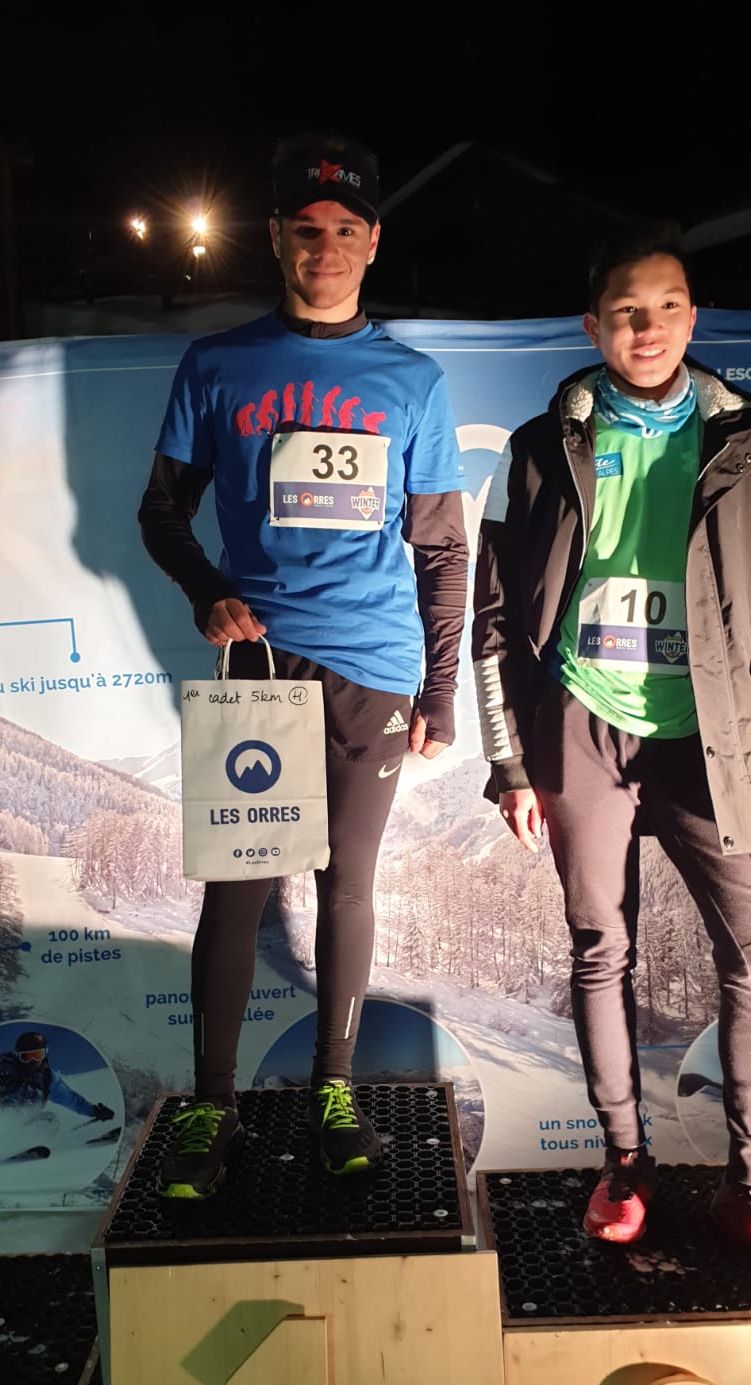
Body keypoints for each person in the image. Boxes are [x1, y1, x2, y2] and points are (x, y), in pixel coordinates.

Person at [472, 234, 751, 1288]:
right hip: (580, 723)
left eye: (668, 307)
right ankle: (625, 1162)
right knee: (602, 945)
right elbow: (492, 618)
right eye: (627, 311)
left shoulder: (747, 441)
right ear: (594, 326)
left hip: (707, 732)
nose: (649, 328)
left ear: (692, 318)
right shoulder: (538, 447)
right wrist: (509, 762)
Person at [139, 131, 467, 1199]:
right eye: (306, 230)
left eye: (345, 231)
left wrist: (442, 691)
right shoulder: (217, 364)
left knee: (347, 885)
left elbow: (442, 548)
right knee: (236, 890)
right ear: (278, 238)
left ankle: (336, 1091)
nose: (325, 249)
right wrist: (205, 589)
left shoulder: (412, 381)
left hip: (374, 669)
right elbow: (160, 511)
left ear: (372, 243)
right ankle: (212, 1107)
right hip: (262, 664)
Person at [0, 1030, 114, 1121]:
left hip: (23, 1123)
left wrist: (94, 1111)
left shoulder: (48, 1079)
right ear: (19, 1057)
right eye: (27, 1057)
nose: (33, 1061)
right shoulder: (9, 1069)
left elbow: (70, 1098)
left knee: (49, 1120)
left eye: (37, 1055)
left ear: (44, 1055)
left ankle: (24, 1144)